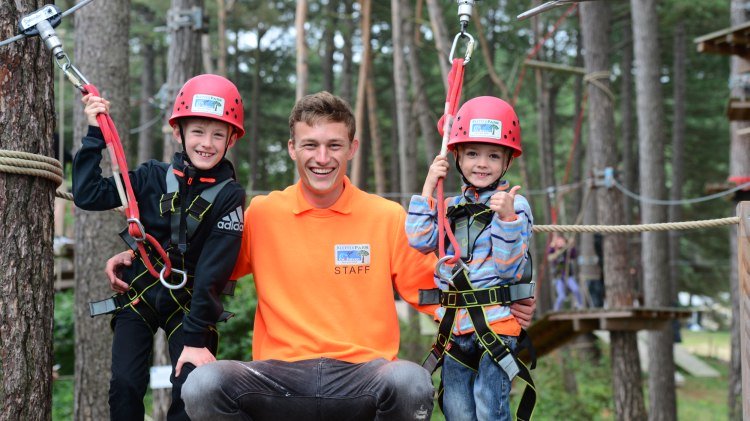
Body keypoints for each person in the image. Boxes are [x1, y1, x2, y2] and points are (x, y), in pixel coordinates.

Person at [168, 91, 537, 421]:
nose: (322, 158)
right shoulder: (262, 214)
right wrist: (139, 261)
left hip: (363, 377)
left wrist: (502, 304)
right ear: (292, 148)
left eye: (335, 145)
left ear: (353, 148)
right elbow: (207, 272)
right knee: (202, 385)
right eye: (310, 145)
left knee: (412, 382)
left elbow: (436, 294)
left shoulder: (387, 217)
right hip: (277, 377)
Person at [73, 74, 247, 421]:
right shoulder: (151, 177)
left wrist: (196, 339)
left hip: (191, 306)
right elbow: (88, 194)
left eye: (218, 134)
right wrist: (95, 133)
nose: (207, 143)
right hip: (140, 295)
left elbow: (214, 271)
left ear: (231, 139)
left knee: (190, 393)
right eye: (197, 131)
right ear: (178, 133)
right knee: (124, 386)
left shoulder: (229, 197)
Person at [405, 96, 534, 421]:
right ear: (457, 157)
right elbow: (419, 239)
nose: (482, 163)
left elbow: (508, 269)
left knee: (490, 410)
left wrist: (505, 221)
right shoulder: (447, 206)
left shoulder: (515, 207)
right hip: (455, 329)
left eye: (493, 155)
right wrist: (428, 184)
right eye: (472, 153)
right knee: (456, 411)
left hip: (496, 327)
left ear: (507, 161)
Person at [549, 232, 584, 311]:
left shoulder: (566, 251)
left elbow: (573, 255)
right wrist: (552, 244)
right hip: (559, 278)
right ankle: (556, 310)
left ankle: (580, 305)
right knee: (561, 296)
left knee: (576, 289)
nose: (560, 243)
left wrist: (572, 245)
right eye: (559, 241)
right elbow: (550, 254)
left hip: (568, 276)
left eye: (562, 241)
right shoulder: (554, 252)